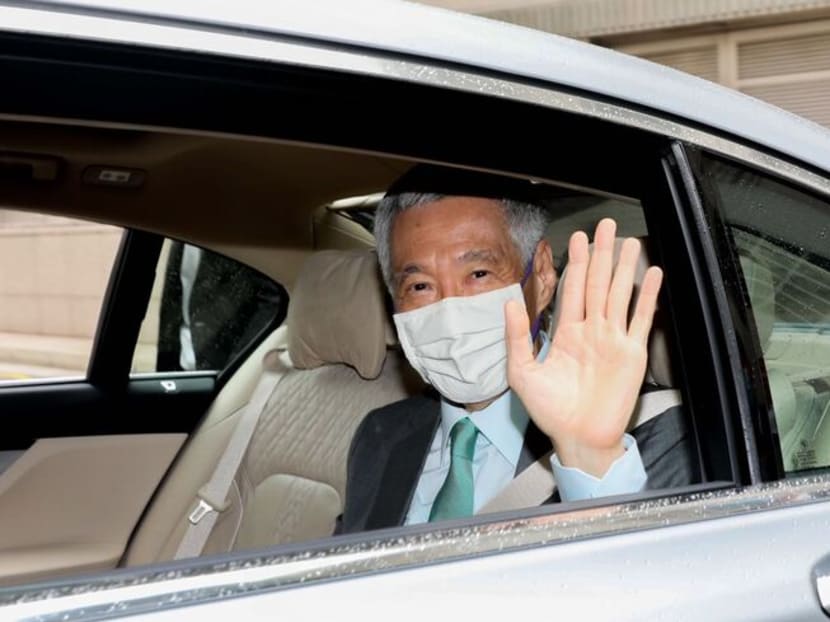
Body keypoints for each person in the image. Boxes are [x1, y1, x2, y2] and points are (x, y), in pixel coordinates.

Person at [337, 165, 697, 533]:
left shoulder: (661, 436)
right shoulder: (381, 435)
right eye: (419, 286)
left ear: (540, 275)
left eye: (478, 274)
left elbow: (648, 578)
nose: (450, 312)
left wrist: (591, 457)